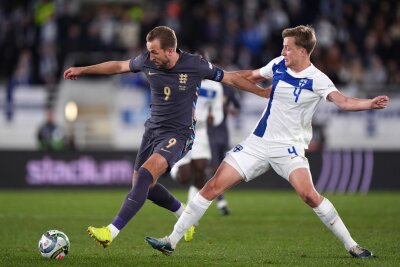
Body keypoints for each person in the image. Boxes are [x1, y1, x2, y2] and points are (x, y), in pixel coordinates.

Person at [144, 25, 389, 258]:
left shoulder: (318, 79)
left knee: (309, 196)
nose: (283, 52)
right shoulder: (279, 65)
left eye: (288, 48)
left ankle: (352, 245)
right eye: (283, 47)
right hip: (257, 144)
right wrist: (211, 76)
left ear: (303, 51)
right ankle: (171, 241)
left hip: (289, 148)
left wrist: (369, 104)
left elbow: (343, 101)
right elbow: (249, 75)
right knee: (212, 186)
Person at [63, 26, 268, 248]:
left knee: (144, 177)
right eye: (149, 51)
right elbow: (118, 66)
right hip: (152, 130)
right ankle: (184, 216)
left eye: (155, 52)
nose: (150, 56)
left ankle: (110, 232)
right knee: (144, 187)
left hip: (179, 134)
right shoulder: (147, 61)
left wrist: (261, 92)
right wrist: (83, 70)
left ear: (170, 51)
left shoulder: (195, 64)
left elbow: (230, 79)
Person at [169, 51, 224, 241]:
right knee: (185, 176)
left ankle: (191, 215)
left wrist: (214, 118)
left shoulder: (215, 88)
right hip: (180, 131)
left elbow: (217, 113)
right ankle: (174, 170)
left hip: (200, 133)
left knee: (200, 171)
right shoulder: (180, 80)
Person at [207, 84, 241, 216]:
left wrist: (232, 110)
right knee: (213, 167)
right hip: (207, 135)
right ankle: (220, 200)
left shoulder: (228, 89)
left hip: (223, 134)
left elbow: (237, 106)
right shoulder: (203, 87)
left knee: (222, 168)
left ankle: (217, 197)